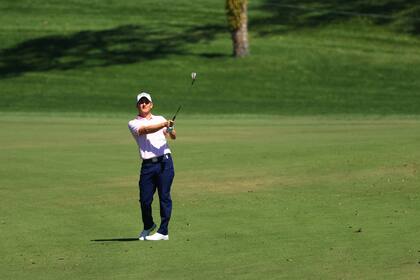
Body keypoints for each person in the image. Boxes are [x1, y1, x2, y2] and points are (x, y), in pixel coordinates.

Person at [128, 92, 176, 241]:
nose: (144, 104)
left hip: (165, 162)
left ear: (151, 104)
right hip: (148, 165)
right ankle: (148, 225)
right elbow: (145, 130)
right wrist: (163, 124)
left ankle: (163, 231)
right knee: (145, 199)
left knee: (164, 197)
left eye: (146, 102)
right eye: (141, 102)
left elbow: (173, 136)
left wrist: (170, 129)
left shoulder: (160, 118)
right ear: (137, 105)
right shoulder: (133, 123)